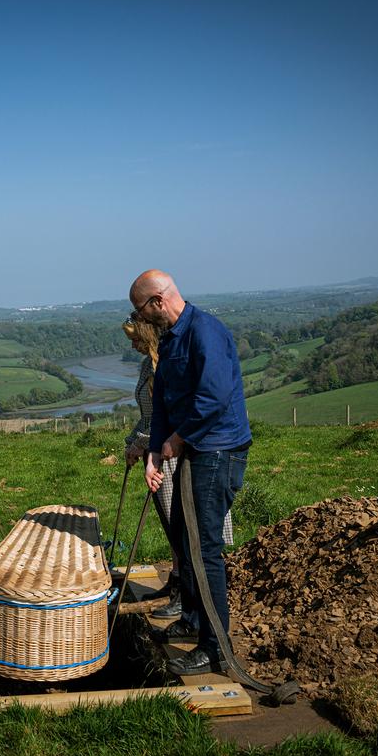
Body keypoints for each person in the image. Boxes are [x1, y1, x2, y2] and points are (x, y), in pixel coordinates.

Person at [129, 269, 252, 676]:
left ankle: (215, 647)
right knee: (185, 540)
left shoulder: (206, 333)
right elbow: (163, 402)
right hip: (194, 450)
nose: (142, 322)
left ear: (158, 301)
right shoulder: (172, 338)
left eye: (143, 312)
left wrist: (177, 441)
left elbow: (214, 397)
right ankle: (194, 620)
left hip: (218, 451)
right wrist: (154, 452)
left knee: (204, 550)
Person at [123, 317, 235, 619]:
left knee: (186, 530)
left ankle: (187, 597)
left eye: (135, 339)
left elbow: (173, 417)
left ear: (148, 335)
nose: (132, 345)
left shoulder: (164, 366)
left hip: (174, 454)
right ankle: (178, 586)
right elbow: (149, 416)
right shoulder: (148, 365)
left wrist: (146, 444)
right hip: (157, 452)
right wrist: (133, 441)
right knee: (175, 531)